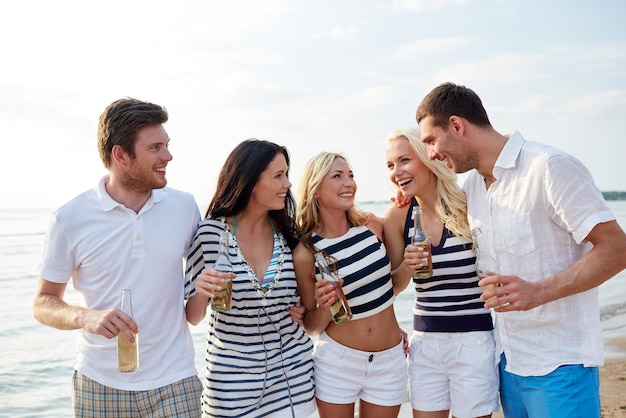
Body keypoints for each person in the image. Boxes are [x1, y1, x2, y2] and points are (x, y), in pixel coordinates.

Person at [415, 82, 626, 418]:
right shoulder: (472, 187)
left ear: (457, 125)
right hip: (507, 362)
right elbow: (430, 200)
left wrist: (538, 292)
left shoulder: (549, 167)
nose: (432, 154)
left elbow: (616, 248)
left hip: (560, 364)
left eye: (430, 140)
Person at [33, 98, 203, 417]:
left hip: (176, 379)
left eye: (166, 145)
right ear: (120, 154)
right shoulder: (69, 219)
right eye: (155, 148)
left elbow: (202, 291)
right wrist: (86, 317)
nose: (168, 156)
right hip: (98, 385)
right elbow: (43, 302)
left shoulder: (184, 207)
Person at [184, 139, 316, 418]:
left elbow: (309, 303)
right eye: (278, 176)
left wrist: (305, 311)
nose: (288, 184)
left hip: (293, 378)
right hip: (231, 385)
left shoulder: (289, 234)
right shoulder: (210, 234)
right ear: (251, 181)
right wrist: (201, 290)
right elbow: (193, 317)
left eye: (287, 175)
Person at [384, 127, 499, 418]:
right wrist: (406, 268)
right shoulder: (398, 216)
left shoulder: (468, 204)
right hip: (425, 344)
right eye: (390, 165)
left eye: (404, 160)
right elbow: (394, 288)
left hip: (473, 340)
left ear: (427, 158)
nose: (396, 171)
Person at [293, 151, 408, 418]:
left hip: (389, 361)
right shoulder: (305, 252)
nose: (349, 183)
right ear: (316, 190)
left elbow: (391, 284)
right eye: (337, 176)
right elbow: (311, 326)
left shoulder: (372, 225)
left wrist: (405, 201)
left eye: (351, 175)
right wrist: (323, 307)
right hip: (338, 363)